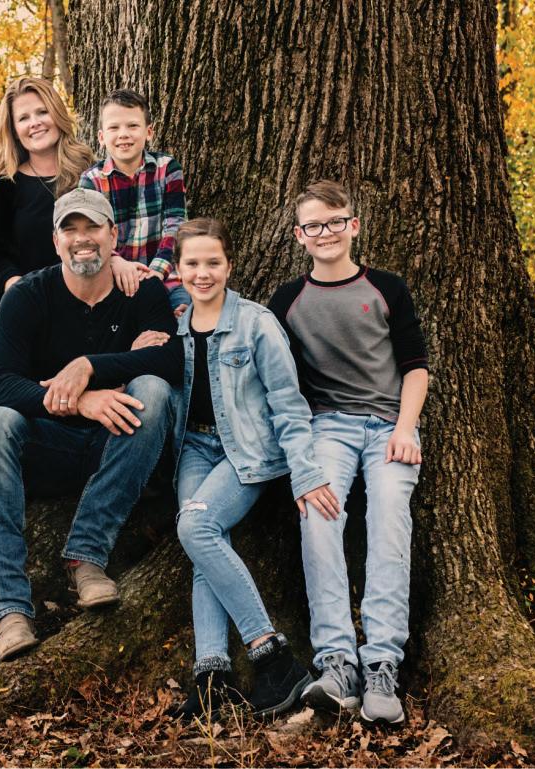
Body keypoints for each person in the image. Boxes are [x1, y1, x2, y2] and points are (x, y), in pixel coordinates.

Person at [0, 188, 182, 662]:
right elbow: (1, 384)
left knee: (152, 390)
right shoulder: (27, 295)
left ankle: (86, 557)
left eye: (92, 227)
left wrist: (90, 366)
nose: (82, 238)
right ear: (55, 240)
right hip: (50, 446)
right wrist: (79, 400)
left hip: (121, 445)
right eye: (70, 229)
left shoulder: (142, 290)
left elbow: (170, 360)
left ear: (114, 235)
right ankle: (8, 610)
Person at [156, 218, 340, 721]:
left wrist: (304, 473)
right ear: (178, 270)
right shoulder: (175, 327)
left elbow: (288, 404)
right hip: (194, 450)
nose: (203, 273)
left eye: (213, 262)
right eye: (192, 263)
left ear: (229, 265)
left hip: (247, 452)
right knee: (202, 543)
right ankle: (212, 677)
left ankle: (273, 656)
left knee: (196, 527)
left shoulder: (256, 323)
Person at [268, 180, 429, 726]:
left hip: (389, 427)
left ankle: (382, 665)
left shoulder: (386, 288)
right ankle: (337, 664)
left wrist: (405, 428)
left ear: (353, 226)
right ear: (299, 236)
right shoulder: (287, 302)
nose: (326, 233)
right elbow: (276, 379)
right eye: (313, 225)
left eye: (335, 222)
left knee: (388, 519)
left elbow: (416, 368)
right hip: (326, 428)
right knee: (318, 515)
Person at [0, 76, 96, 311]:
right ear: (14, 130)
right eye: (23, 118)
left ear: (57, 114)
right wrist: (18, 288)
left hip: (87, 304)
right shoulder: (5, 187)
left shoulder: (91, 176)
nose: (35, 123)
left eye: (42, 112)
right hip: (27, 307)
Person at [79, 89, 189, 313]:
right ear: (101, 137)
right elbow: (90, 234)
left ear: (148, 132)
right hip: (115, 279)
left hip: (167, 276)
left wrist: (156, 272)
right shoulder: (91, 180)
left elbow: (176, 226)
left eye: (132, 126)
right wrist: (116, 261)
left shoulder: (167, 168)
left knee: (186, 316)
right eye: (114, 128)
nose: (123, 134)